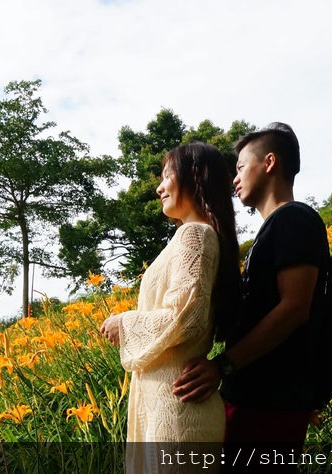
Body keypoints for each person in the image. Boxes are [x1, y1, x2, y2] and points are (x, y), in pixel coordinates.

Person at [172, 123, 332, 454]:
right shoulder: (271, 231)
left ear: (270, 163)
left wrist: (223, 365)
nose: (235, 178)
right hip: (254, 397)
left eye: (242, 167)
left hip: (271, 401)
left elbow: (294, 309)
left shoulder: (295, 220)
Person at [99, 142, 241, 471]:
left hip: (178, 409)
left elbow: (187, 316)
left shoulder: (195, 235)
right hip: (172, 402)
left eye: (167, 176)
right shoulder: (193, 237)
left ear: (195, 176)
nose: (160, 187)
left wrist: (125, 322)